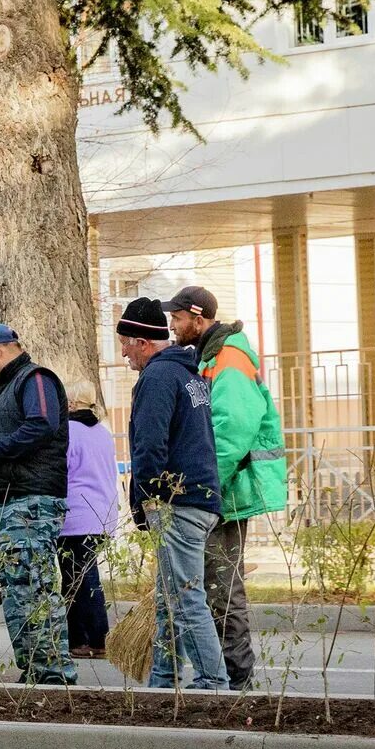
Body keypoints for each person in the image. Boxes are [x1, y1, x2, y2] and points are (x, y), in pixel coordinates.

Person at [165, 284, 290, 691]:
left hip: (224, 492)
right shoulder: (213, 355)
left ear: (198, 318)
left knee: (221, 590)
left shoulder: (229, 358)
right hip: (222, 490)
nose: (172, 325)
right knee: (215, 587)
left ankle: (237, 681)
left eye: (177, 318)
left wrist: (202, 485)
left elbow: (231, 430)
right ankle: (230, 678)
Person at [117, 296, 228, 691]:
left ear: (143, 342)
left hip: (177, 501)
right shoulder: (189, 374)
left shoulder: (158, 378)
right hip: (200, 496)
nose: (124, 356)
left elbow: (150, 446)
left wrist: (144, 500)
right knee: (168, 599)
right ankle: (163, 680)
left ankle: (213, 683)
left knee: (183, 597)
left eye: (126, 345)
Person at [0, 323, 74, 685]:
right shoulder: (6, 388)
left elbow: (41, 424)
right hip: (12, 503)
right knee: (18, 589)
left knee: (33, 587)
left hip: (29, 505)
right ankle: (37, 671)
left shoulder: (34, 379)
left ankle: (53, 675)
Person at [58, 393, 118, 659]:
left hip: (76, 514)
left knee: (81, 578)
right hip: (102, 512)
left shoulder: (68, 431)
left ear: (71, 404)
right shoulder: (103, 432)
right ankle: (76, 640)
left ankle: (99, 638)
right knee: (75, 578)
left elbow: (61, 470)